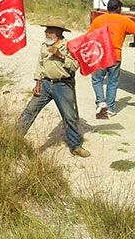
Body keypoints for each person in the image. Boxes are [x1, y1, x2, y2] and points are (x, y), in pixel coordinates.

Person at [18, 19, 90, 158]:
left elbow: (75, 66)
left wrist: (60, 56)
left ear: (57, 32)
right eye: (46, 30)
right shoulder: (44, 45)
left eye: (49, 30)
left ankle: (75, 146)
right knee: (29, 111)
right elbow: (40, 64)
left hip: (62, 86)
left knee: (69, 116)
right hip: (45, 84)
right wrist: (37, 82)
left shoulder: (69, 46)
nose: (45, 32)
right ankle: (14, 137)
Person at [88, 0, 135, 118]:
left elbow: (89, 36)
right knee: (112, 82)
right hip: (115, 56)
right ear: (119, 9)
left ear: (108, 8)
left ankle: (100, 102)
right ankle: (110, 109)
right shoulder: (125, 20)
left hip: (101, 55)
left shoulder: (99, 20)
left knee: (97, 80)